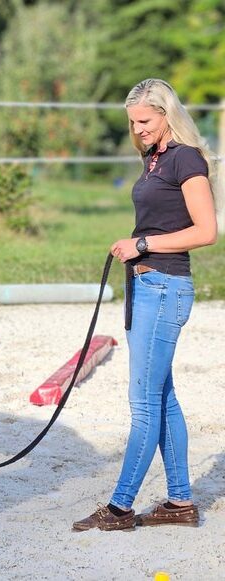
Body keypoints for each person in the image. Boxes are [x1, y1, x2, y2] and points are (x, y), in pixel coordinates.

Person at [73, 78, 218, 532]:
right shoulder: (154, 158)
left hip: (165, 287)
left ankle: (119, 508)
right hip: (146, 286)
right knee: (163, 398)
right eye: (132, 122)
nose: (137, 130)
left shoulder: (186, 159)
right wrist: (138, 250)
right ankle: (180, 502)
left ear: (166, 114)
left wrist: (143, 243)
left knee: (143, 403)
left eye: (144, 121)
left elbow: (206, 231)